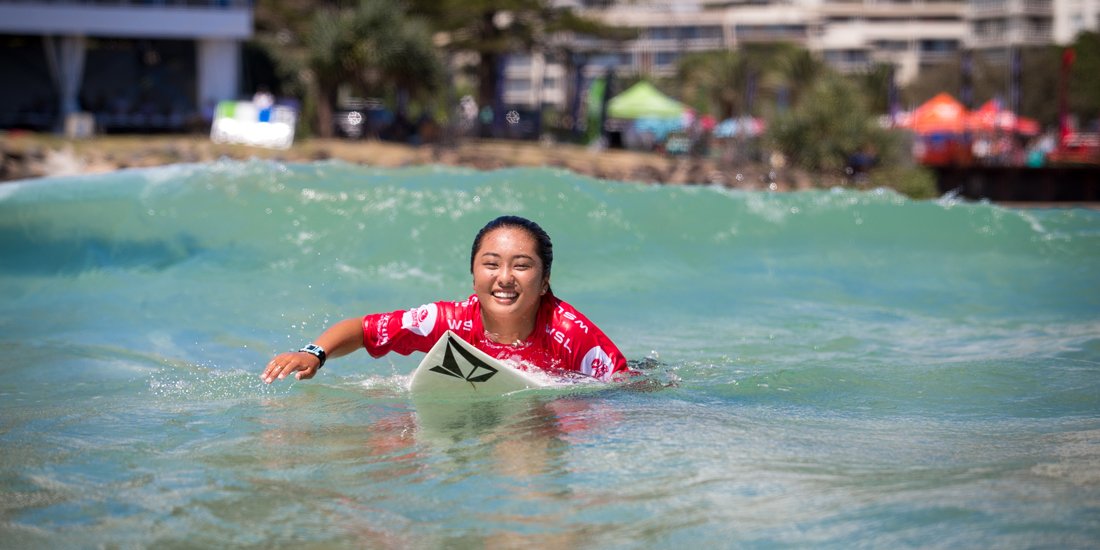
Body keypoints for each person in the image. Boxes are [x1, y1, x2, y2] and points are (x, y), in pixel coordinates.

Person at [261, 215, 630, 385]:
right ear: (473, 275)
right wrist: (314, 353)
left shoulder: (569, 333)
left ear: (545, 281)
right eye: (490, 264)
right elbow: (364, 329)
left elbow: (623, 388)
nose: (504, 278)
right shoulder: (448, 321)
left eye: (522, 266)